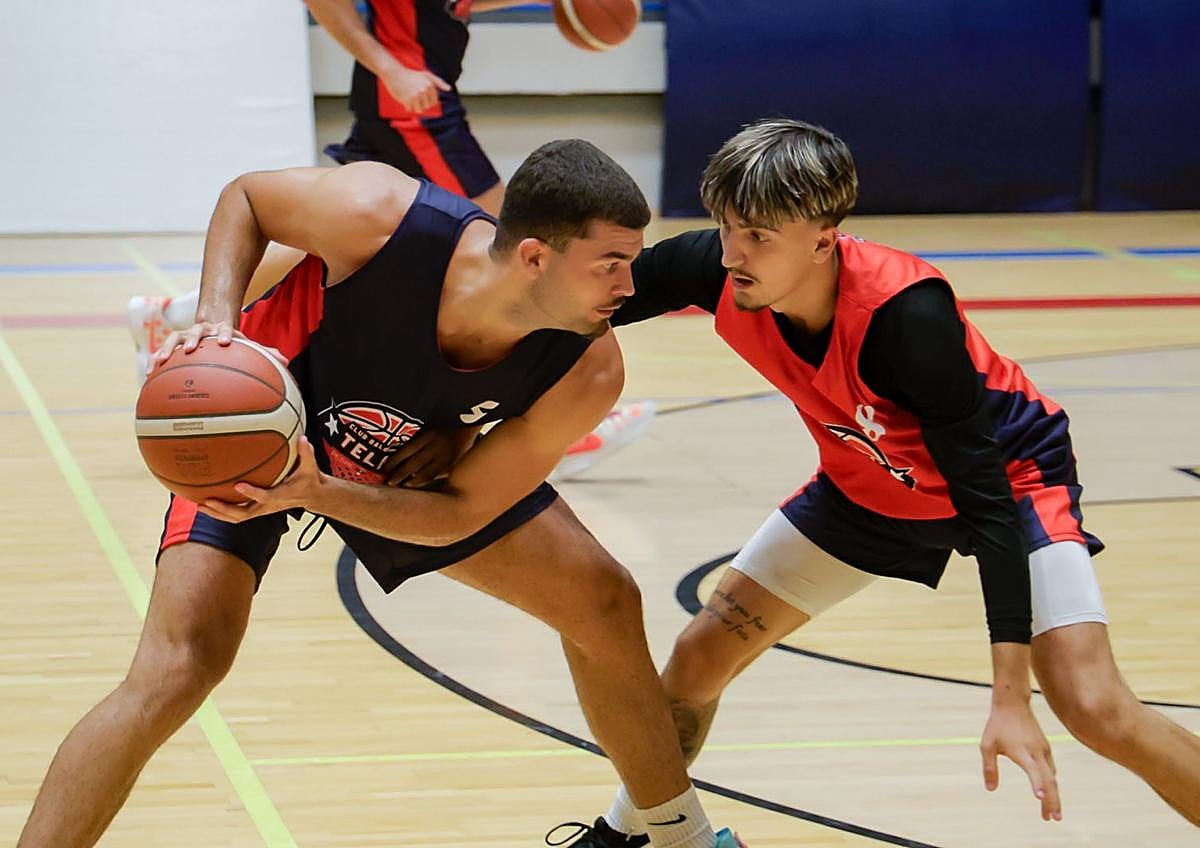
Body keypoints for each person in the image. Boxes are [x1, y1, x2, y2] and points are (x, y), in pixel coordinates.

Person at [18, 141, 742, 848]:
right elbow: (248, 196)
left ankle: (682, 838)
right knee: (179, 667)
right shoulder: (380, 215)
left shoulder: (587, 371)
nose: (628, 286)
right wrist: (215, 320)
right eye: (610, 264)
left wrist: (323, 489)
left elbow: (461, 512)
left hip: (389, 471)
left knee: (604, 600)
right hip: (259, 431)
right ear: (533, 258)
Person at [549, 119, 1200, 846]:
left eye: (759, 235)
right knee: (696, 661)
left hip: (1009, 480)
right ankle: (625, 836)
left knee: (1093, 707)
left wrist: (1011, 696)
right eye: (726, 227)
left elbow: (986, 505)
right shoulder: (718, 269)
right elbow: (573, 307)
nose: (734, 253)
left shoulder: (908, 318)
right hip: (868, 483)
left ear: (824, 238)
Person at [127, 0, 655, 479]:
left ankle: (171, 315)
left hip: (415, 105)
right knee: (527, 244)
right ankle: (556, 427)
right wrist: (390, 67)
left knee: (329, 245)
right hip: (414, 110)